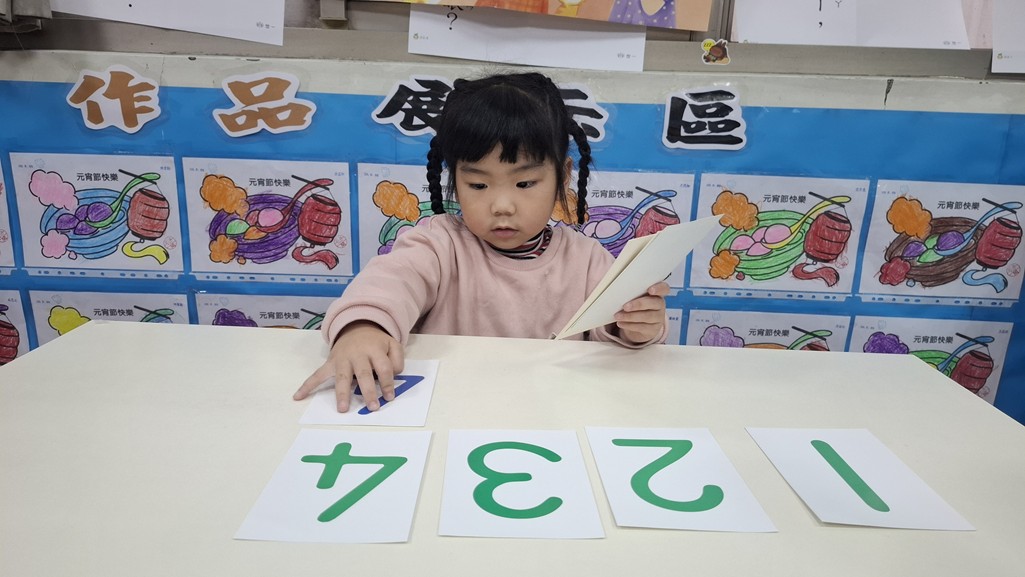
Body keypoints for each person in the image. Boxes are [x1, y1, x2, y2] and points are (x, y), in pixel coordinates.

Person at [294, 72, 669, 412]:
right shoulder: (438, 244)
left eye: (524, 183)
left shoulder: (588, 260)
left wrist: (634, 326)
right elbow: (392, 282)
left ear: (563, 176)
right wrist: (363, 328)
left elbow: (614, 338)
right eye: (478, 184)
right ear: (454, 180)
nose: (501, 205)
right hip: (448, 414)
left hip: (549, 418)